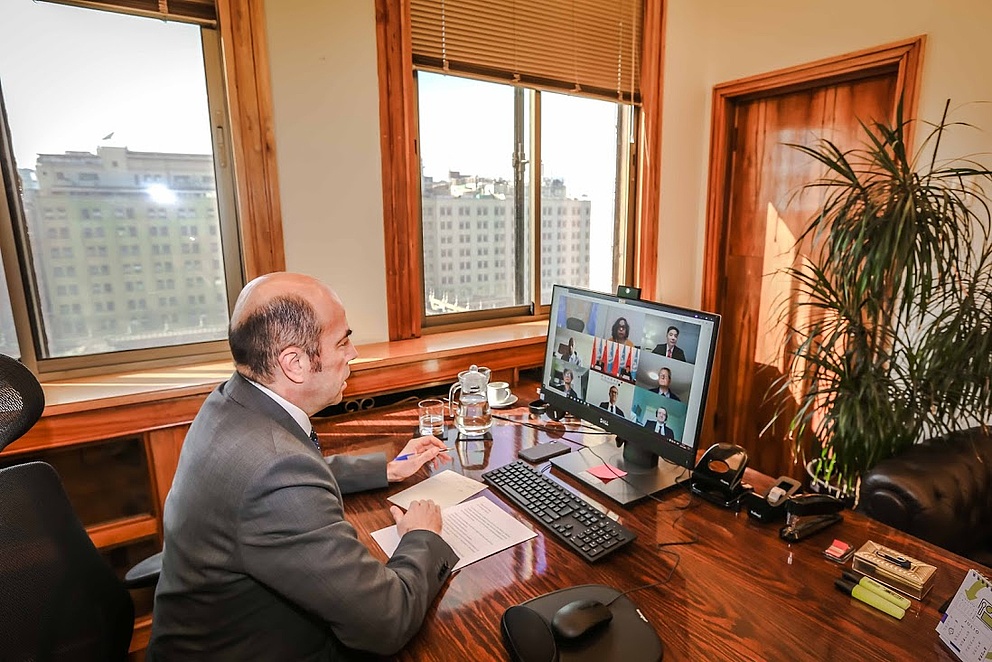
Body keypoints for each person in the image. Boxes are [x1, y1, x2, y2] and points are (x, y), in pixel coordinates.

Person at [147, 272, 460, 660]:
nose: (354, 353)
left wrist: (386, 470)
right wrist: (421, 537)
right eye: (342, 340)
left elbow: (287, 471)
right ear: (294, 363)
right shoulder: (275, 472)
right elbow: (386, 622)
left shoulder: (231, 401)